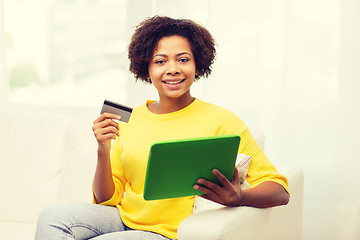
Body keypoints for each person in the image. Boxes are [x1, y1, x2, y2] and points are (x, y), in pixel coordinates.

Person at [35, 16, 289, 240]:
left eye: (183, 59)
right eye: (160, 61)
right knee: (53, 216)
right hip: (123, 220)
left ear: (198, 65)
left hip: (169, 233)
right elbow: (105, 199)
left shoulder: (222, 120)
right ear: (146, 70)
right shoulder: (130, 119)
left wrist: (239, 197)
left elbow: (279, 190)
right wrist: (103, 148)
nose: (173, 69)